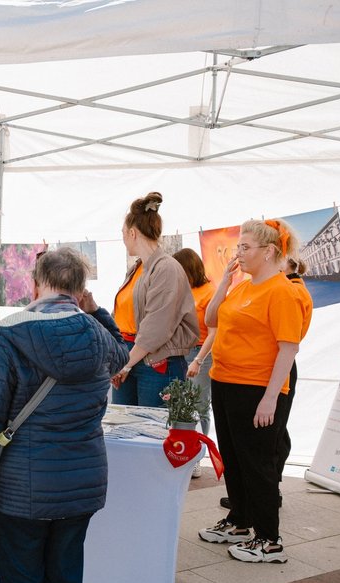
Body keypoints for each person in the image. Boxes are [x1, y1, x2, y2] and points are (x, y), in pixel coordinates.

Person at [0, 248, 128, 583]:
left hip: (23, 488)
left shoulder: (12, 331)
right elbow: (122, 353)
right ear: (81, 290)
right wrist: (95, 310)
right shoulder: (96, 333)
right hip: (81, 484)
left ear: (37, 282)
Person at [198, 219, 304, 564]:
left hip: (255, 387)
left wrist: (271, 398)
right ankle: (240, 521)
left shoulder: (282, 291)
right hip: (225, 381)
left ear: (270, 251)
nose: (238, 253)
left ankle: (269, 540)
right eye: (238, 247)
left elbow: (288, 349)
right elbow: (212, 320)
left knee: (257, 462)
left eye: (245, 247)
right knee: (233, 457)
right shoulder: (243, 287)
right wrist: (224, 285)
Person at [111, 192, 198, 406]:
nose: (122, 239)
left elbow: (156, 326)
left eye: (122, 233)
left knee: (153, 435)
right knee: (125, 433)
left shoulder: (166, 268)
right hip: (131, 357)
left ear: (132, 233)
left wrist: (126, 364)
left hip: (155, 363)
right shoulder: (138, 268)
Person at [174, 248, 215, 435]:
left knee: (199, 405)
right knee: (180, 403)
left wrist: (198, 360)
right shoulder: (182, 291)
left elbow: (215, 332)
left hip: (201, 354)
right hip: (180, 353)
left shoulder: (209, 292)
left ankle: (199, 451)